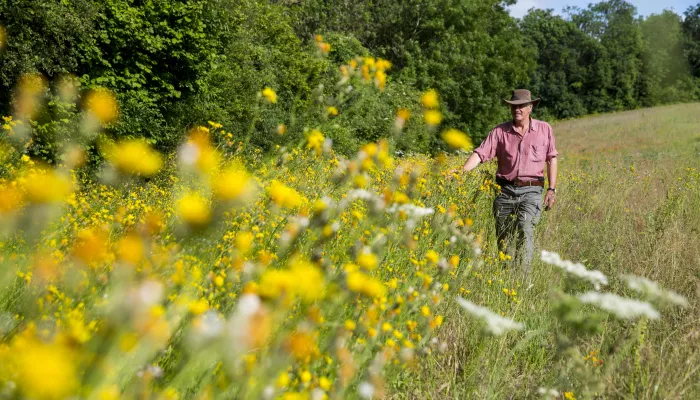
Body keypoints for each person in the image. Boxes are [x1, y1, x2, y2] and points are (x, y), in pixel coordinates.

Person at [453, 89, 558, 273]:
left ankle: (523, 278)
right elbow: (481, 153)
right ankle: (505, 275)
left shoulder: (544, 129)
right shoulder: (500, 131)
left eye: (521, 106)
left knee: (525, 230)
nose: (516, 109)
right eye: (513, 106)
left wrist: (552, 189)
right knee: (503, 237)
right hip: (505, 192)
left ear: (530, 107)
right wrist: (462, 172)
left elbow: (552, 158)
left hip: (532, 191)